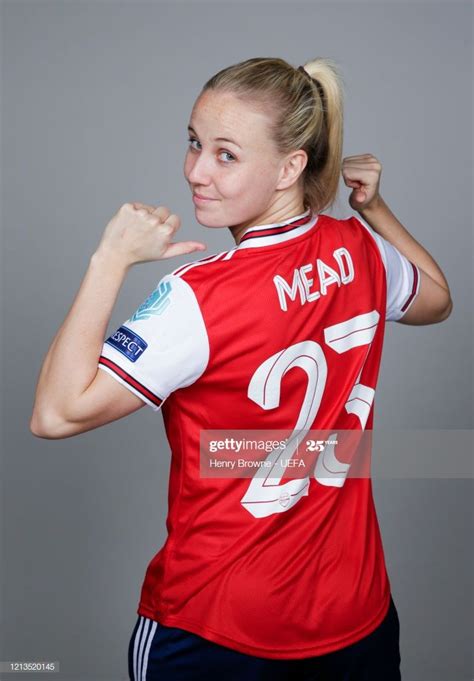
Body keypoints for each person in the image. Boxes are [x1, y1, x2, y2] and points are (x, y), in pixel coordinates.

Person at [30, 56, 452, 681]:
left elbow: (55, 414)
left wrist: (109, 260)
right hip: (355, 613)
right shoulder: (360, 250)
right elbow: (439, 300)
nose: (196, 171)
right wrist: (376, 209)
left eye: (226, 154)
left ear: (291, 167)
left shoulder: (201, 297)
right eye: (194, 143)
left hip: (218, 626)